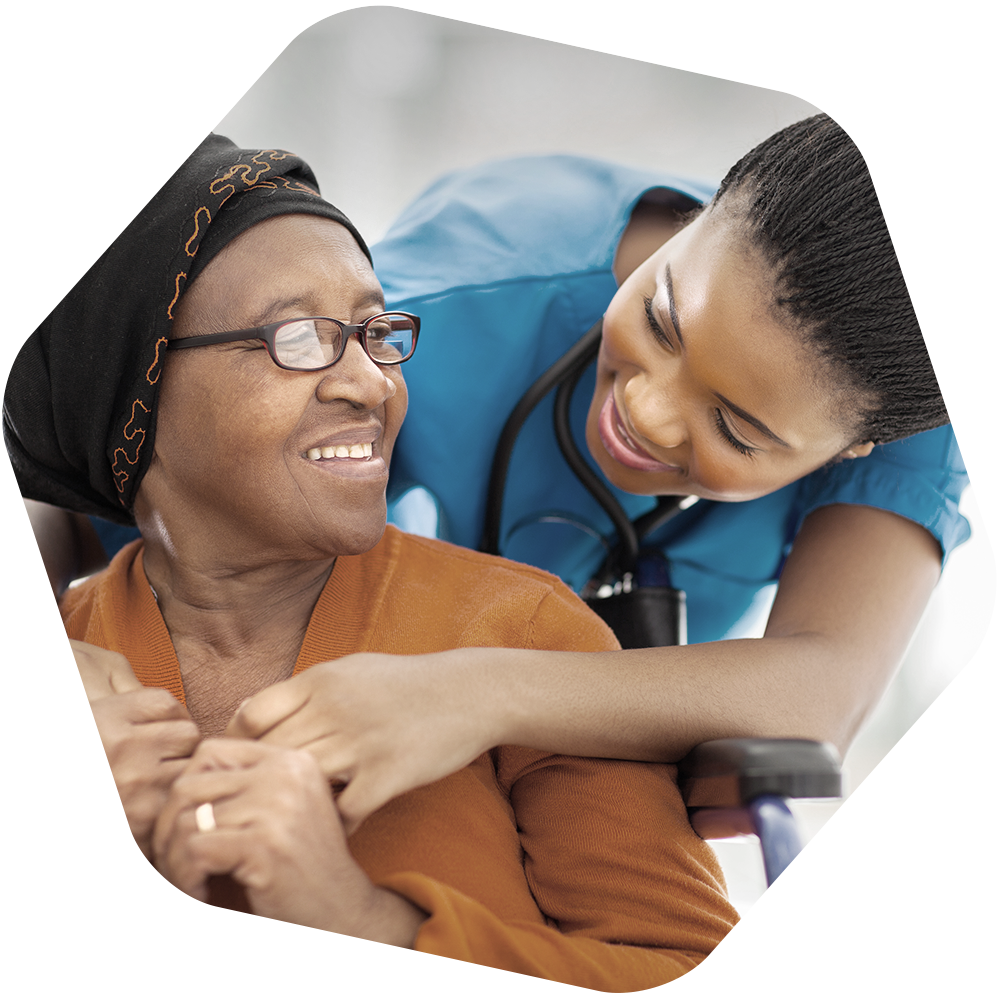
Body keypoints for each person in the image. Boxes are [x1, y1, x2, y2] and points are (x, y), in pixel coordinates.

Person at [22, 115, 968, 835]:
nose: (645, 413)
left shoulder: (900, 392)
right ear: (701, 217)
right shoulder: (462, 295)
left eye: (737, 427)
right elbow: (72, 472)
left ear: (856, 448)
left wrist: (475, 693)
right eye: (665, 319)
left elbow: (818, 695)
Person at [5, 135, 740, 988]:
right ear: (135, 395)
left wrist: (358, 923)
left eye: (375, 331)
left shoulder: (524, 634)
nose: (372, 382)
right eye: (299, 337)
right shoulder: (49, 682)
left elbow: (680, 970)